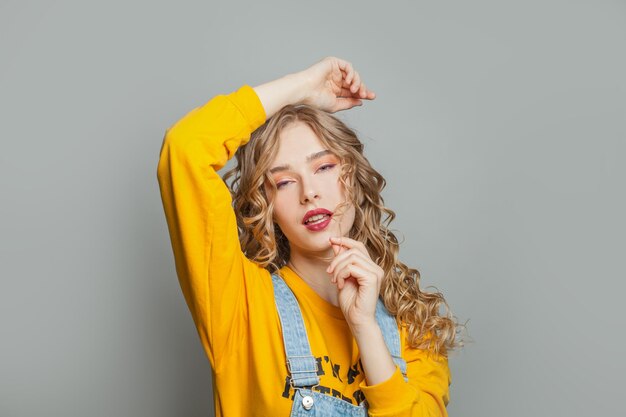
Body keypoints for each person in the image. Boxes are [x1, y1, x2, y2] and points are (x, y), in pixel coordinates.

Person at [157, 56, 463, 417]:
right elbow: (185, 149)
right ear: (265, 204)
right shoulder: (241, 305)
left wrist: (364, 328)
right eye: (284, 181)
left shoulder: (415, 330)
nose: (309, 192)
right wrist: (302, 88)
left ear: (355, 177)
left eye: (324, 167)